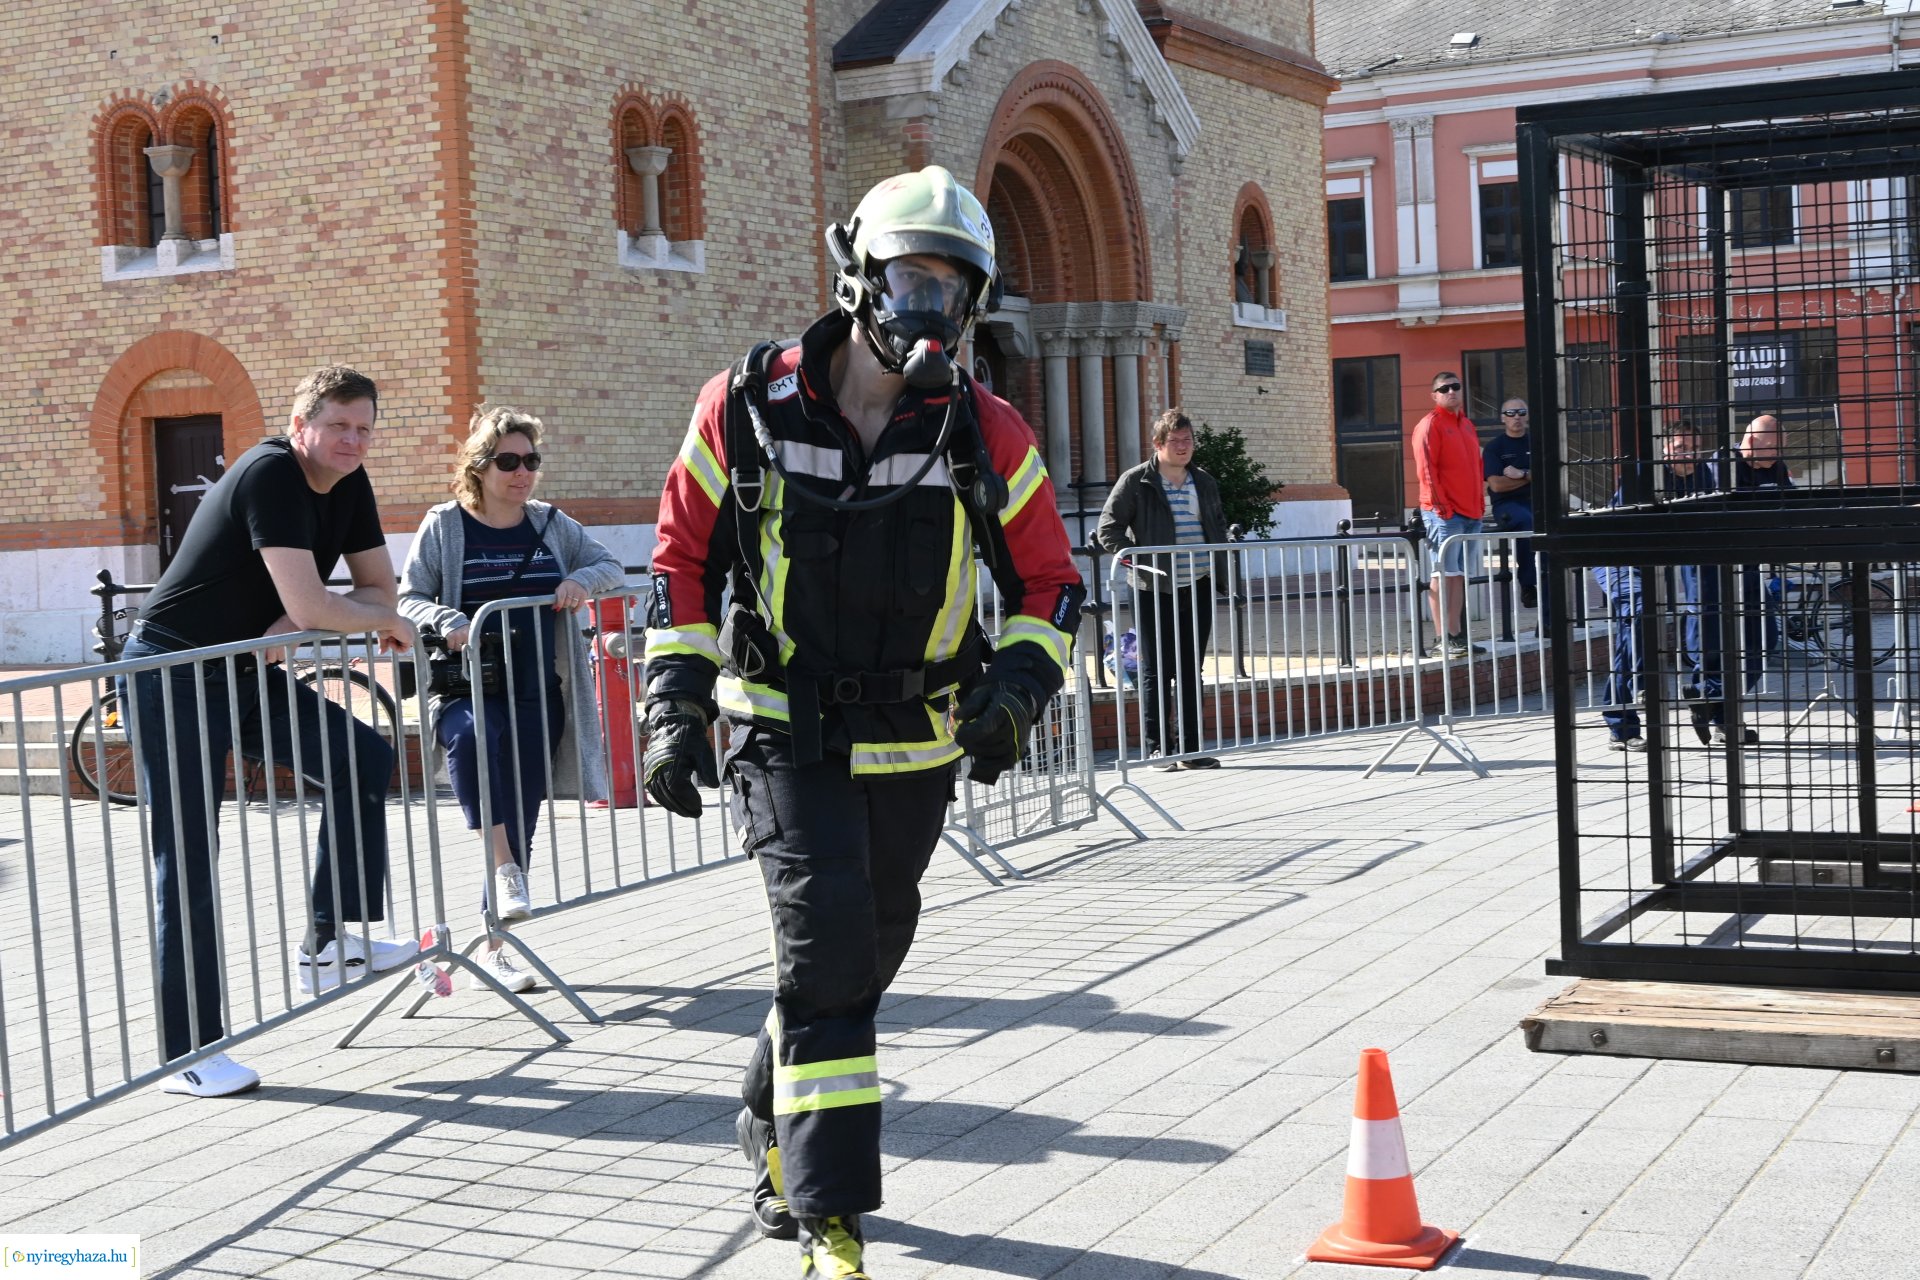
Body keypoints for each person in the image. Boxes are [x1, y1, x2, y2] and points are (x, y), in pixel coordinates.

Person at [641, 166, 1082, 1277]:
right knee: (828, 940)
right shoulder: (742, 405)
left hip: (917, 740)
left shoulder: (985, 428)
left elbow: (1050, 582)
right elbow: (682, 562)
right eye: (909, 278)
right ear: (857, 276)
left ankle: (766, 1108)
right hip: (783, 731)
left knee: (860, 953)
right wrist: (674, 706)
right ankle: (824, 1209)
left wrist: (1018, 692)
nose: (928, 306)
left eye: (951, 286)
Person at [120, 365, 418, 1098]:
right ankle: (188, 1052)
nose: (353, 441)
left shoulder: (349, 481)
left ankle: (329, 941)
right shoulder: (271, 474)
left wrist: (301, 617)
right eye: (339, 426)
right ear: (301, 425)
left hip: (241, 668)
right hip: (172, 672)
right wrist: (345, 616)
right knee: (188, 854)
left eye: (364, 429)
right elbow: (353, 605)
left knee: (362, 753)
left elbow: (379, 585)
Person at [399, 407, 624, 993]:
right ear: (480, 466)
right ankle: (502, 870)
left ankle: (493, 947)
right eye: (508, 461)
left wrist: (579, 583)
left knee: (520, 812)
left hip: (535, 688)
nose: (521, 472)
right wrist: (447, 618)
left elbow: (606, 564)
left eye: (531, 461)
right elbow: (408, 597)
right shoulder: (445, 526)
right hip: (465, 685)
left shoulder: (551, 525)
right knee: (473, 741)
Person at [1096, 408, 1229, 770]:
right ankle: (1159, 748)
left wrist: (1222, 566)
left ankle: (1191, 748)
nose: (1184, 447)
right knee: (1156, 669)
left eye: (1188, 441)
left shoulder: (1203, 481)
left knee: (1190, 668)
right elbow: (1109, 529)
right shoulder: (1135, 480)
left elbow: (1215, 524)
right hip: (1153, 588)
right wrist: (1135, 560)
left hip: (1197, 584)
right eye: (1176, 441)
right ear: (1158, 444)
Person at [1412, 371, 1485, 657]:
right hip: (1443, 513)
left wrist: (1479, 506)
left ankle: (1457, 635)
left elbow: (1476, 469)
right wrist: (1441, 507)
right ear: (1434, 395)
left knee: (1458, 575)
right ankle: (1444, 637)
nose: (1451, 392)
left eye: (1455, 387)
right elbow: (1427, 469)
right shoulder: (1430, 425)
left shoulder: (1467, 425)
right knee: (1442, 574)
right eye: (1444, 389)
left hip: (1470, 512)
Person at [1482, 396, 1541, 612]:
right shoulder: (1495, 448)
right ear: (1502, 418)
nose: (1516, 417)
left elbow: (1550, 474)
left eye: (1521, 412)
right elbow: (1496, 485)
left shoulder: (1538, 442)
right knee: (1527, 523)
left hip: (1537, 501)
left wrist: (1521, 474)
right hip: (1507, 505)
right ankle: (1528, 585)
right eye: (1510, 413)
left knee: (1550, 524)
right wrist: (1531, 478)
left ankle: (1549, 582)